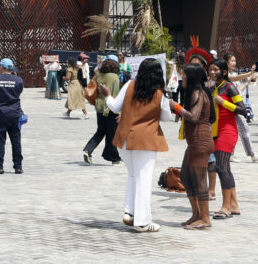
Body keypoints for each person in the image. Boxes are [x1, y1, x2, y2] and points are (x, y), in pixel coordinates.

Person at [97, 57, 175, 232]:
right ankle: (142, 221)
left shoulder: (129, 85)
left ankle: (129, 212)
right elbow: (166, 117)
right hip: (145, 140)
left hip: (124, 137)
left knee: (133, 175)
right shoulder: (160, 94)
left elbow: (115, 107)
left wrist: (108, 95)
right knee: (143, 179)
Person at [169, 63, 214, 229]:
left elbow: (194, 117)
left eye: (185, 74)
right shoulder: (195, 92)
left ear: (192, 77)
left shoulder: (197, 93)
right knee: (186, 176)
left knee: (199, 180)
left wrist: (176, 107)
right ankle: (196, 214)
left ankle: (205, 218)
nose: (183, 77)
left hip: (200, 142)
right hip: (194, 143)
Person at [208, 58, 245, 218]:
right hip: (216, 132)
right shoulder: (213, 88)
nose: (212, 72)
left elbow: (243, 110)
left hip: (228, 131)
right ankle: (234, 205)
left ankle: (226, 207)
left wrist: (224, 103)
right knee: (225, 168)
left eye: (216, 70)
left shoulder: (230, 87)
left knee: (221, 168)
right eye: (211, 69)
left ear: (224, 72)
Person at [0, 58, 24, 174]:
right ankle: (18, 166)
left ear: (2, 67)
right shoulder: (19, 80)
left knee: (0, 140)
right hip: (15, 113)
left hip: (0, 113)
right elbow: (19, 92)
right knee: (16, 140)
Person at [83, 55, 121, 164]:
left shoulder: (98, 74)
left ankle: (88, 149)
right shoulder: (114, 77)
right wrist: (120, 111)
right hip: (111, 108)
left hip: (99, 107)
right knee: (112, 133)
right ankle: (114, 158)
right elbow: (115, 94)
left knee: (101, 131)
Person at [225, 52, 256, 162]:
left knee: (236, 131)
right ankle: (252, 154)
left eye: (235, 61)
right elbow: (235, 78)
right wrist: (249, 73)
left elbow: (238, 91)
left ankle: (230, 154)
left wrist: (248, 82)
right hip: (231, 107)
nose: (234, 63)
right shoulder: (225, 75)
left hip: (237, 107)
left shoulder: (233, 73)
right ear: (226, 62)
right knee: (243, 130)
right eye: (232, 61)